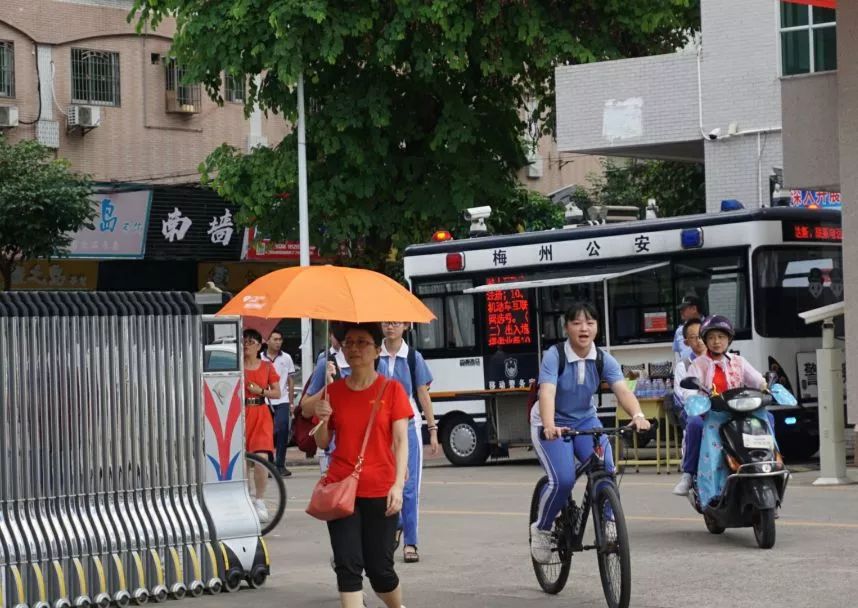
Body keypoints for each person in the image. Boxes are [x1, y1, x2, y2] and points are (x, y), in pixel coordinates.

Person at [529, 302, 651, 564]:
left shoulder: (602, 358)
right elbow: (546, 392)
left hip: (585, 420)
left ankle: (608, 522)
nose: (584, 328)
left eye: (590, 323)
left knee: (606, 468)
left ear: (597, 327)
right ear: (566, 327)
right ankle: (542, 528)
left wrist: (638, 415)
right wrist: (549, 425)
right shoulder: (554, 355)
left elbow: (622, 391)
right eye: (576, 323)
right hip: (551, 422)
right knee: (562, 480)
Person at [313, 323, 412, 608]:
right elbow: (322, 442)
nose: (354, 348)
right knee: (347, 564)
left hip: (380, 489)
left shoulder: (392, 390)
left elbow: (400, 441)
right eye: (348, 343)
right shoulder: (333, 392)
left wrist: (397, 484)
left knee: (380, 571)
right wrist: (321, 417)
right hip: (341, 488)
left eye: (362, 343)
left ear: (377, 350)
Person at [671, 315, 770, 496]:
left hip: (739, 412)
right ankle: (688, 474)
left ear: (729, 339)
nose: (716, 342)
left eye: (721, 337)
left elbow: (757, 380)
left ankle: (772, 462)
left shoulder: (738, 361)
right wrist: (695, 399)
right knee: (694, 424)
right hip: (711, 414)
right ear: (706, 340)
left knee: (767, 417)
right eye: (711, 337)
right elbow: (688, 393)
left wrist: (765, 387)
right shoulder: (698, 364)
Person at [377, 321, 439, 564]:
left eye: (395, 322)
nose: (390, 326)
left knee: (409, 487)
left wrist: (432, 429)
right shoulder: (374, 356)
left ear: (405, 326)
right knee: (384, 484)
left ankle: (410, 542)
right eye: (386, 322)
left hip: (409, 426)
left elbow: (423, 394)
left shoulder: (413, 357)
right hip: (381, 429)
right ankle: (396, 523)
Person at [242, 328, 281, 523]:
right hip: (241, 415)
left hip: (261, 413)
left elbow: (277, 393)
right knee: (242, 462)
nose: (246, 345)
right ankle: (245, 498)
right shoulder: (236, 367)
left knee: (260, 458)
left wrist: (261, 391)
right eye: (244, 342)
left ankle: (259, 500)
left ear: (259, 345)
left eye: (250, 342)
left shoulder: (266, 367)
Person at [301, 323, 351, 474]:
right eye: (341, 336)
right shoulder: (326, 363)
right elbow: (305, 409)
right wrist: (328, 387)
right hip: (335, 450)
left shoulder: (376, 365)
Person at [261, 329, 296, 477]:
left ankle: (280, 464)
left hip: (281, 400)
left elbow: (290, 380)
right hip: (264, 400)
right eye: (275, 339)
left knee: (282, 431)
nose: (278, 342)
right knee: (268, 433)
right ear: (267, 341)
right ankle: (269, 464)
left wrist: (291, 402)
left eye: (280, 339)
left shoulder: (286, 358)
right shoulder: (260, 358)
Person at [672, 317, 708, 426]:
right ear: (686, 342)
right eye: (694, 337)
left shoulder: (720, 361)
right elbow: (682, 398)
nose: (699, 340)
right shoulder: (683, 366)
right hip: (695, 415)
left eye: (702, 335)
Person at [673, 296, 703, 363]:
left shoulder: (709, 326)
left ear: (694, 309)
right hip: (685, 370)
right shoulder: (679, 330)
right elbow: (677, 355)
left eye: (683, 309)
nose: (681, 311)